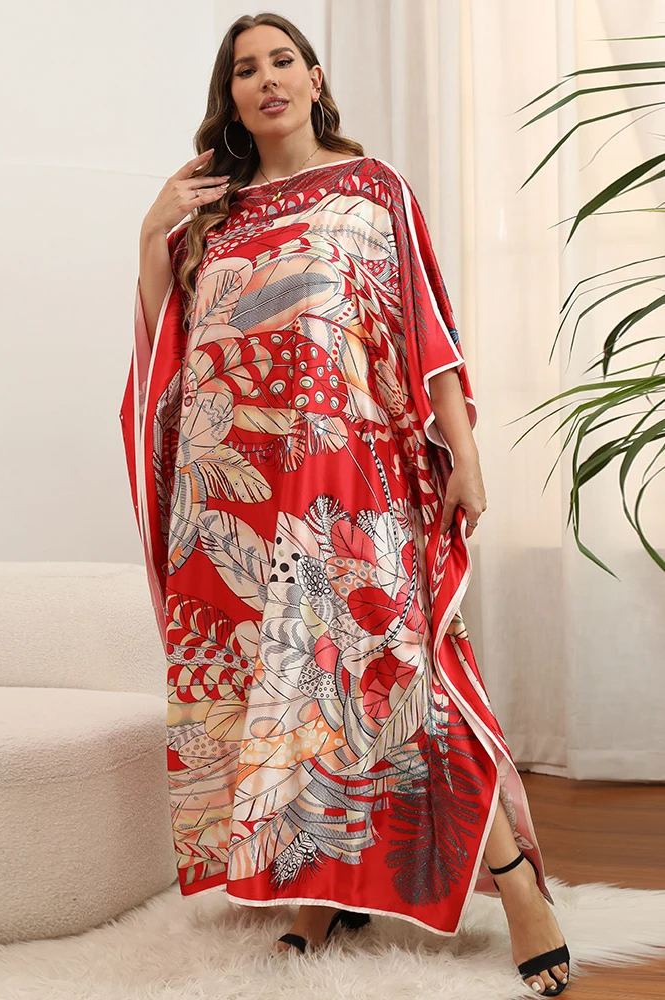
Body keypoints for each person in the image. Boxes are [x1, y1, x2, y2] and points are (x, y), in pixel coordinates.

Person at [120, 11, 570, 996]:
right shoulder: (215, 212)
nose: (267, 79)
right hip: (235, 487)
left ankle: (516, 882)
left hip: (349, 471)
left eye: (283, 60)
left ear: (316, 79)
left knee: (401, 669)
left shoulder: (373, 190)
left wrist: (464, 451)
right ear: (231, 98)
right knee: (290, 688)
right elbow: (169, 341)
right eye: (246, 69)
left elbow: (425, 326)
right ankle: (321, 893)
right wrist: (154, 230)